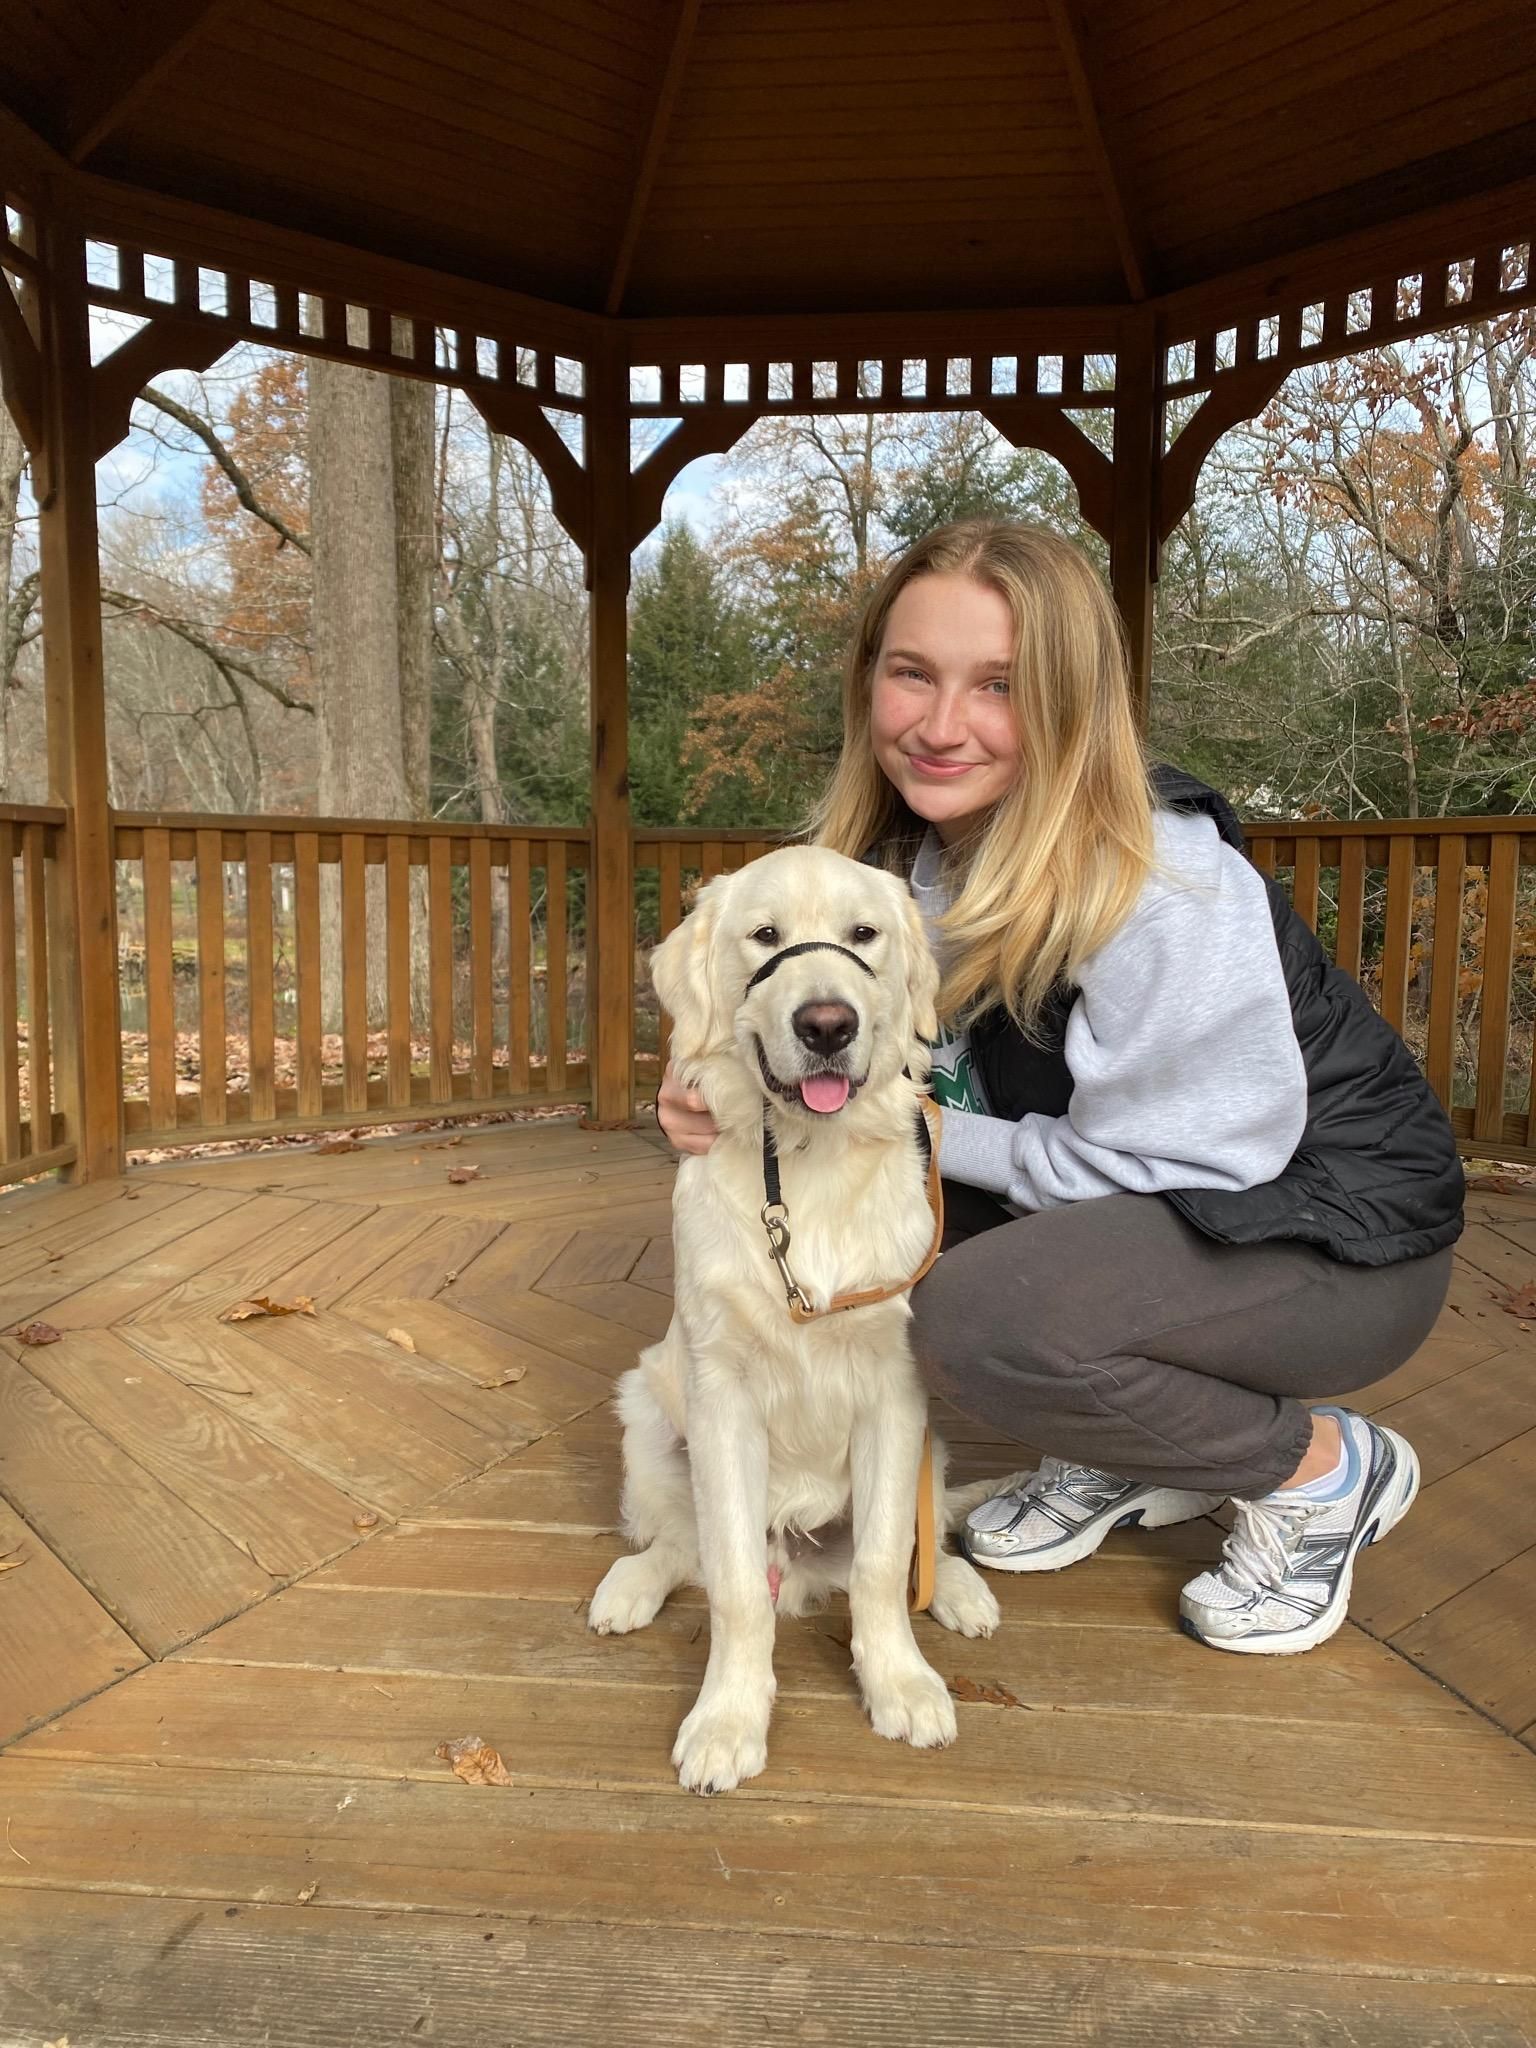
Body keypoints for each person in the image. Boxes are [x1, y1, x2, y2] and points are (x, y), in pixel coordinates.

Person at [655, 520, 1463, 1656]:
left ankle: (1321, 1470)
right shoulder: (904, 863)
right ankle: (1126, 1440)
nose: (942, 725)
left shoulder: (1161, 884)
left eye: (1001, 686)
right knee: (875, 1231)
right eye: (912, 673)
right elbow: (788, 1007)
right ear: (867, 683)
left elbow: (1193, 1164)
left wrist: (929, 1126)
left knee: (967, 1316)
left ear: (1075, 702)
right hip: (1156, 1201)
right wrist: (710, 1083)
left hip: (1335, 1236)